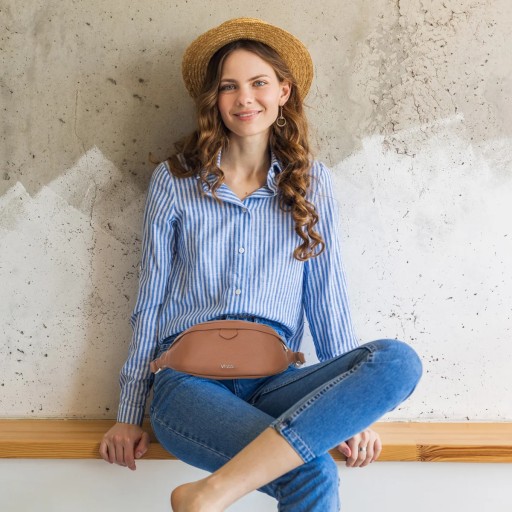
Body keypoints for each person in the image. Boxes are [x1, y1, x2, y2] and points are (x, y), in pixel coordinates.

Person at [99, 17, 422, 512]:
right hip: (188, 385)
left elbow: (327, 299)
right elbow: (150, 299)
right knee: (311, 471)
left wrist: (350, 415)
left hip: (276, 383)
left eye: (258, 83)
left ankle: (210, 495)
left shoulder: (311, 182)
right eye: (229, 86)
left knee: (398, 360)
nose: (244, 99)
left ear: (283, 92)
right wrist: (127, 413)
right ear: (214, 99)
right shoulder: (175, 180)